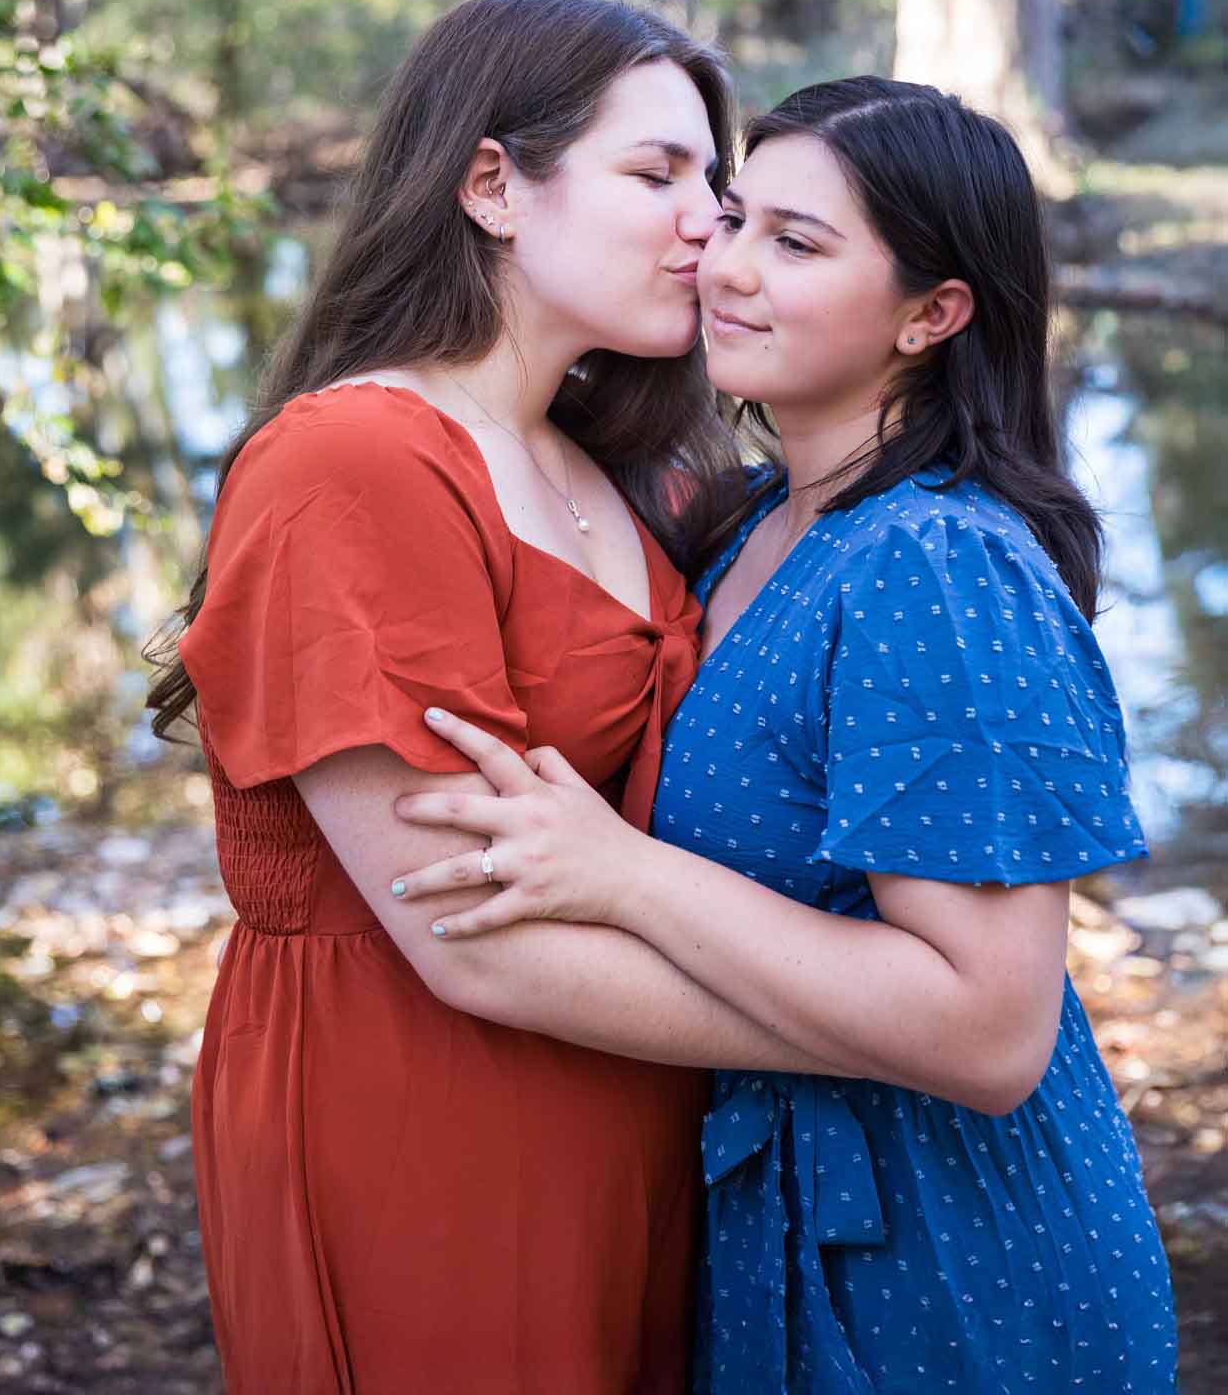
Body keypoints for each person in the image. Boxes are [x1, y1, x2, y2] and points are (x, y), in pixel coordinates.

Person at [392, 77, 1178, 1394]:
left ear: (933, 315)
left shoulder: (934, 562)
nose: (727, 266)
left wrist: (622, 873)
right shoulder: (755, 522)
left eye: (797, 245)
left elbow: (992, 1032)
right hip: (778, 1209)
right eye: (737, 218)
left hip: (954, 1258)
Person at [147, 0, 853, 1395]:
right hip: (425, 1117)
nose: (707, 221)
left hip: (635, 1107)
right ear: (491, 186)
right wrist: (882, 1029)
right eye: (655, 174)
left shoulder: (624, 467)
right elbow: (473, 945)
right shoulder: (352, 467)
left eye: (712, 181)